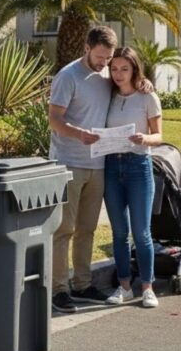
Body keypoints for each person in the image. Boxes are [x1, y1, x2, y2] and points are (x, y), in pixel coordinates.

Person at [47, 26, 120, 313]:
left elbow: (129, 81)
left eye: (108, 57)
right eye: (100, 56)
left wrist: (145, 84)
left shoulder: (107, 75)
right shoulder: (68, 76)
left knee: (87, 229)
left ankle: (82, 283)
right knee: (63, 229)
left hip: (98, 164)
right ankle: (59, 289)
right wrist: (79, 134)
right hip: (69, 161)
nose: (104, 63)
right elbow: (54, 119)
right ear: (86, 48)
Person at [103, 47, 162, 308]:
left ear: (134, 69)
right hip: (111, 167)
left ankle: (148, 287)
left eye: (124, 68)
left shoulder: (148, 97)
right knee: (119, 232)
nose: (118, 74)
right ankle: (124, 286)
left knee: (141, 232)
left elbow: (158, 136)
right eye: (114, 68)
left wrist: (144, 138)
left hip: (139, 166)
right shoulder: (108, 94)